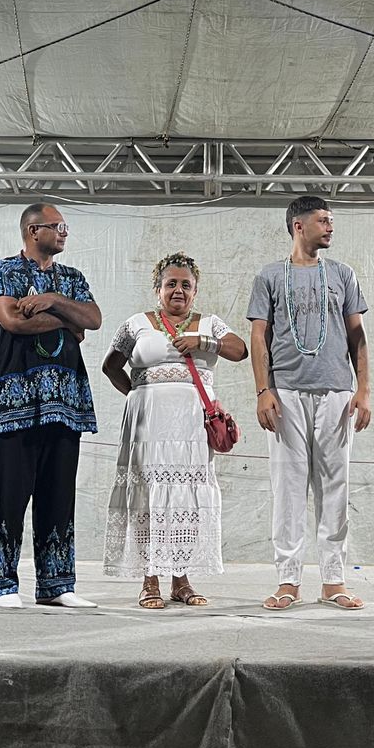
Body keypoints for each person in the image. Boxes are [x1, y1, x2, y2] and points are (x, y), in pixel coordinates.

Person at [101, 253, 248, 608]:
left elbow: (240, 350)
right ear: (158, 289)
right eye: (171, 284)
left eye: (186, 285)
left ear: (195, 291)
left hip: (190, 428)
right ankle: (149, 580)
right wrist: (139, 394)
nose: (178, 290)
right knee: (148, 496)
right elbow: (110, 366)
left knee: (186, 499)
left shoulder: (209, 324)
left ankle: (180, 580)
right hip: (148, 425)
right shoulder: (137, 324)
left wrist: (203, 342)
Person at [248, 194, 371, 611]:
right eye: (323, 220)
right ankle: (288, 580)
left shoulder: (342, 274)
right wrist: (263, 391)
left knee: (335, 485)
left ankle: (334, 580)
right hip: (285, 393)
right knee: (288, 487)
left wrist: (364, 389)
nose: (330, 227)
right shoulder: (269, 276)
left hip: (336, 391)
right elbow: (258, 336)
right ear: (298, 226)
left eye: (331, 220)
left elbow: (357, 336)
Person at [0, 202, 103, 608]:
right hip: (14, 399)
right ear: (34, 231)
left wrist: (51, 300)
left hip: (65, 401)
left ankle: (57, 585)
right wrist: (69, 320)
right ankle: (4, 585)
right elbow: (13, 321)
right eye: (58, 226)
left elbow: (94, 319)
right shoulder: (2, 271)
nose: (64, 232)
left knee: (59, 494)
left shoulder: (72, 278)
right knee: (10, 495)